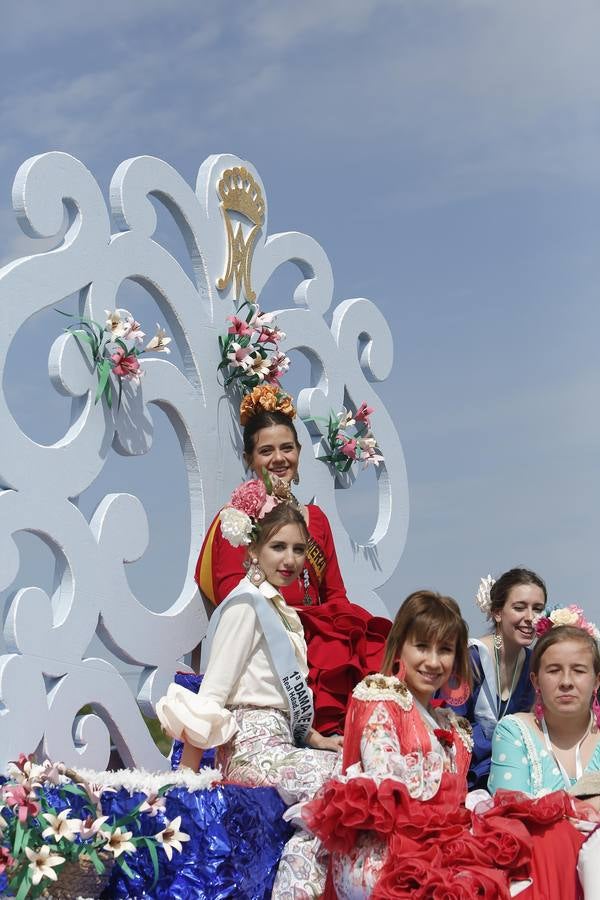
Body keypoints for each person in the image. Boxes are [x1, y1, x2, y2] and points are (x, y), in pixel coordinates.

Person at [157, 498, 342, 899]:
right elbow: (214, 692)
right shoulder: (246, 605)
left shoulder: (279, 609)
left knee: (350, 771)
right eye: (279, 547)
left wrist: (316, 739)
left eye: (298, 549)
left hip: (280, 741)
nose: (290, 559)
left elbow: (279, 694)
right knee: (338, 782)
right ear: (254, 550)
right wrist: (187, 779)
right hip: (249, 749)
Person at [304, 591, 539, 899]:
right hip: (386, 853)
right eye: (422, 646)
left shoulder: (454, 728)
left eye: (444, 649)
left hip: (438, 850)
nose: (432, 661)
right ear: (400, 645)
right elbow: (384, 785)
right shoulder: (382, 698)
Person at [195, 385, 391, 735]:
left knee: (376, 648)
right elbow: (232, 595)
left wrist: (342, 632)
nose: (279, 458)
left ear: (299, 453)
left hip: (321, 633)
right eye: (266, 450)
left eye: (287, 448)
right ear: (249, 459)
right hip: (271, 641)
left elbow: (335, 595)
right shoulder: (239, 519)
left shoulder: (315, 518)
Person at [490, 611, 600, 899]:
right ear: (535, 680)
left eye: (578, 670)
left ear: (597, 681)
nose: (566, 681)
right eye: (553, 670)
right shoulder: (514, 731)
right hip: (541, 879)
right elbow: (510, 813)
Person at [449, 568, 547, 789]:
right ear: (497, 612)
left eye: (538, 609)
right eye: (519, 607)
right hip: (467, 772)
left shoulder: (535, 665)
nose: (530, 618)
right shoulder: (470, 659)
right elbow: (451, 722)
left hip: (517, 772)